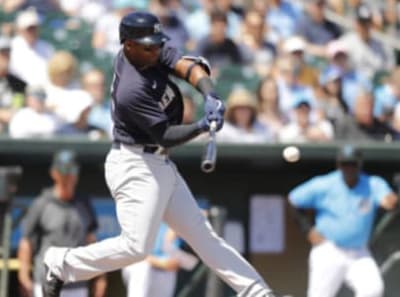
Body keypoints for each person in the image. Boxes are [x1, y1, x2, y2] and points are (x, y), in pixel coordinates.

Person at [43, 11, 275, 297]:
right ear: (128, 45)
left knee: (204, 237)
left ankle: (258, 292)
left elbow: (185, 66)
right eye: (149, 46)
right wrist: (202, 125)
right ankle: (61, 263)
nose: (156, 50)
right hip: (135, 164)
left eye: (156, 43)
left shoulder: (146, 51)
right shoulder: (131, 89)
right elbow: (165, 134)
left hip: (159, 162)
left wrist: (210, 93)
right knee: (136, 248)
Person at [288, 145, 398, 297]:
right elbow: (294, 200)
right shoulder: (325, 184)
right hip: (329, 249)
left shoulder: (372, 183)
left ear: (359, 164)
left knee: (372, 289)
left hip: (359, 252)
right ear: (338, 165)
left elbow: (388, 200)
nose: (349, 168)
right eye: (345, 164)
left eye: (352, 164)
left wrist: (391, 201)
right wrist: (307, 229)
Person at [17, 150, 107, 297]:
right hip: (46, 282)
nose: (68, 177)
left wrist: (100, 278)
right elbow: (26, 242)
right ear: (54, 173)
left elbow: (91, 242)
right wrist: (23, 276)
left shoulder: (84, 204)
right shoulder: (42, 203)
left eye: (71, 171)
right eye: (63, 171)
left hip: (77, 283)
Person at [122, 223, 192, 297]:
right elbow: (132, 251)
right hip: (140, 265)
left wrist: (177, 227)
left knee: (169, 272)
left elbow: (175, 263)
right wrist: (160, 263)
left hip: (164, 271)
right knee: (142, 266)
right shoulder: (142, 219)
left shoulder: (176, 222)